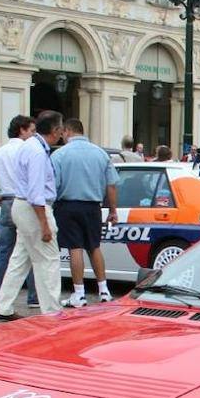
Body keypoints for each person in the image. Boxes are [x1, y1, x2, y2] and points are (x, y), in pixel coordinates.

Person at [0, 111, 65, 320]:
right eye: (60, 129)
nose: (61, 133)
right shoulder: (36, 151)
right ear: (54, 131)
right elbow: (36, 193)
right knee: (49, 260)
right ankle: (52, 311)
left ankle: (3, 306)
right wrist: (44, 224)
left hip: (22, 206)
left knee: (20, 259)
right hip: (33, 209)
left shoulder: (30, 146)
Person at [53, 118, 119, 308]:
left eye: (63, 133)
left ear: (67, 131)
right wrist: (113, 210)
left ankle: (79, 294)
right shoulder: (100, 153)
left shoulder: (59, 155)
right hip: (93, 206)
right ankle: (104, 290)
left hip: (68, 205)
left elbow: (53, 185)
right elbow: (112, 185)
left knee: (75, 248)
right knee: (94, 246)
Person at [0, 115, 38, 309]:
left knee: (4, 251)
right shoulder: (28, 150)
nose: (34, 135)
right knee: (30, 250)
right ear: (22, 130)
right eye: (32, 131)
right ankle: (34, 296)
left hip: (6, 201)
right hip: (25, 202)